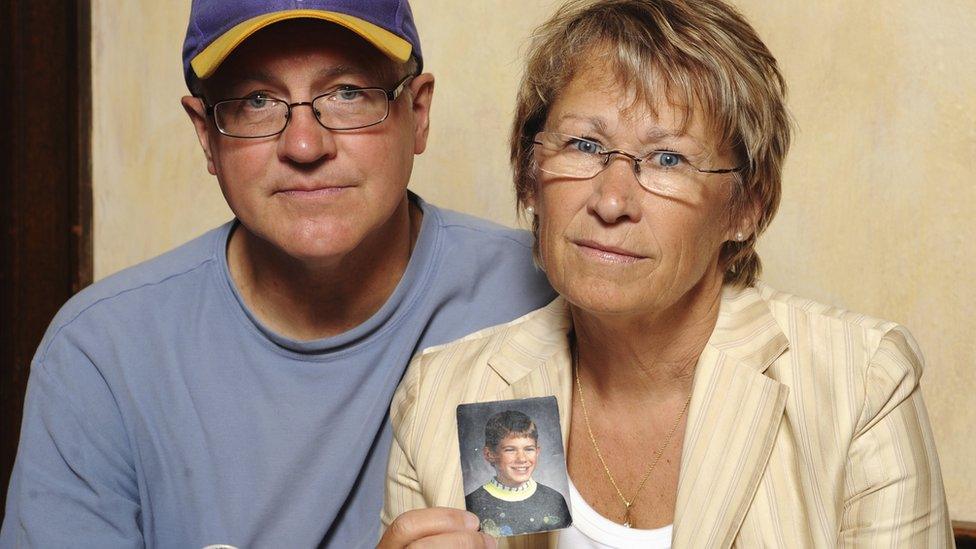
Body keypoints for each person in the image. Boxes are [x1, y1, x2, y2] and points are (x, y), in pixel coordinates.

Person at [383, 0, 954, 547]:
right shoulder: (441, 394)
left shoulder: (862, 386)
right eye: (585, 145)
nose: (611, 202)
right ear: (531, 176)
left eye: (668, 159)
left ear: (745, 207)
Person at [0, 1, 553, 547]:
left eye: (347, 93)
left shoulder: (541, 294)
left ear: (419, 114)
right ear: (205, 135)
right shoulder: (101, 355)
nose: (305, 145)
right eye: (257, 101)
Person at [464, 410, 571, 537]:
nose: (522, 458)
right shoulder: (472, 504)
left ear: (537, 451)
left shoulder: (555, 500)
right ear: (489, 454)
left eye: (529, 449)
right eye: (510, 450)